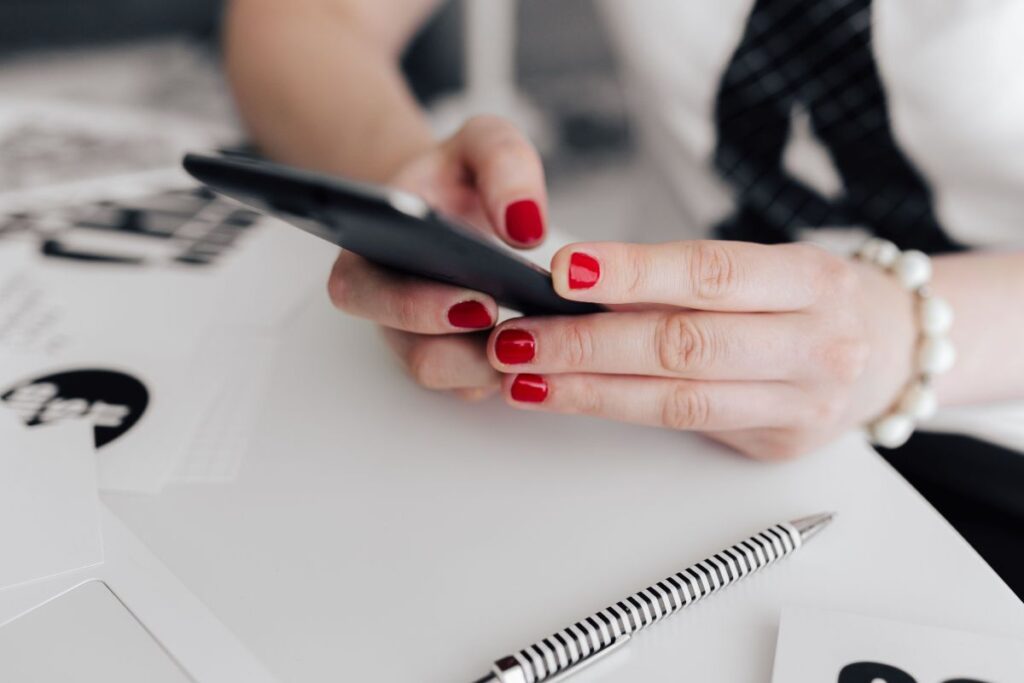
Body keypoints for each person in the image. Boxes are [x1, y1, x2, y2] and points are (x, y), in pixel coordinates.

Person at [225, 1, 1024, 588]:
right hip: (651, 407)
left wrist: (907, 333)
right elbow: (304, 19)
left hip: (993, 439)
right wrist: (408, 179)